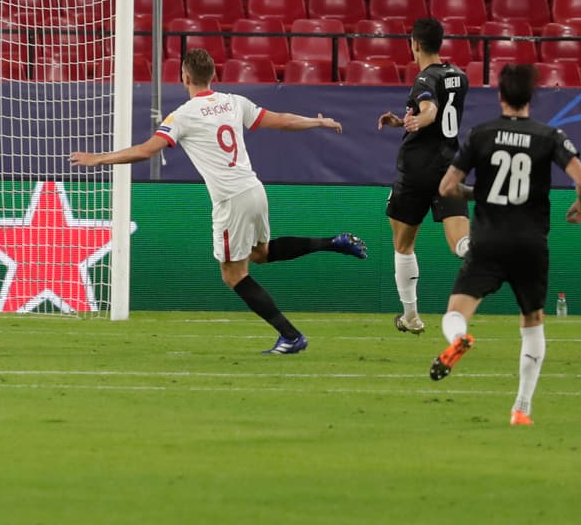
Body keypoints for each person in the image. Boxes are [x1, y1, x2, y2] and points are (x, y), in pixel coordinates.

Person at [70, 48, 368, 355]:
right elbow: (281, 121)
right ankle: (333, 242)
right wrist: (317, 123)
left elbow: (147, 150)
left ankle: (291, 336)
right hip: (254, 189)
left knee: (233, 275)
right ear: (213, 74)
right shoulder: (234, 102)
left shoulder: (183, 115)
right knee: (261, 253)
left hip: (231, 200)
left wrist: (99, 158)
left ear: (185, 77)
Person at [431, 64, 581, 426]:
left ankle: (459, 338)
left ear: (500, 95)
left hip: (488, 240)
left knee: (456, 311)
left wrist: (479, 193)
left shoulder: (481, 134)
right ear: (531, 97)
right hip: (530, 243)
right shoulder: (549, 135)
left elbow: (447, 187)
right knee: (532, 321)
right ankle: (521, 408)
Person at [377, 17, 471, 336]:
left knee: (403, 244)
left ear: (415, 44)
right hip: (449, 168)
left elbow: (430, 108)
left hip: (417, 170)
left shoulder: (423, 79)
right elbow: (437, 111)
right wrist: (403, 121)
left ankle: (411, 316)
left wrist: (422, 119)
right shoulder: (459, 75)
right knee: (460, 244)